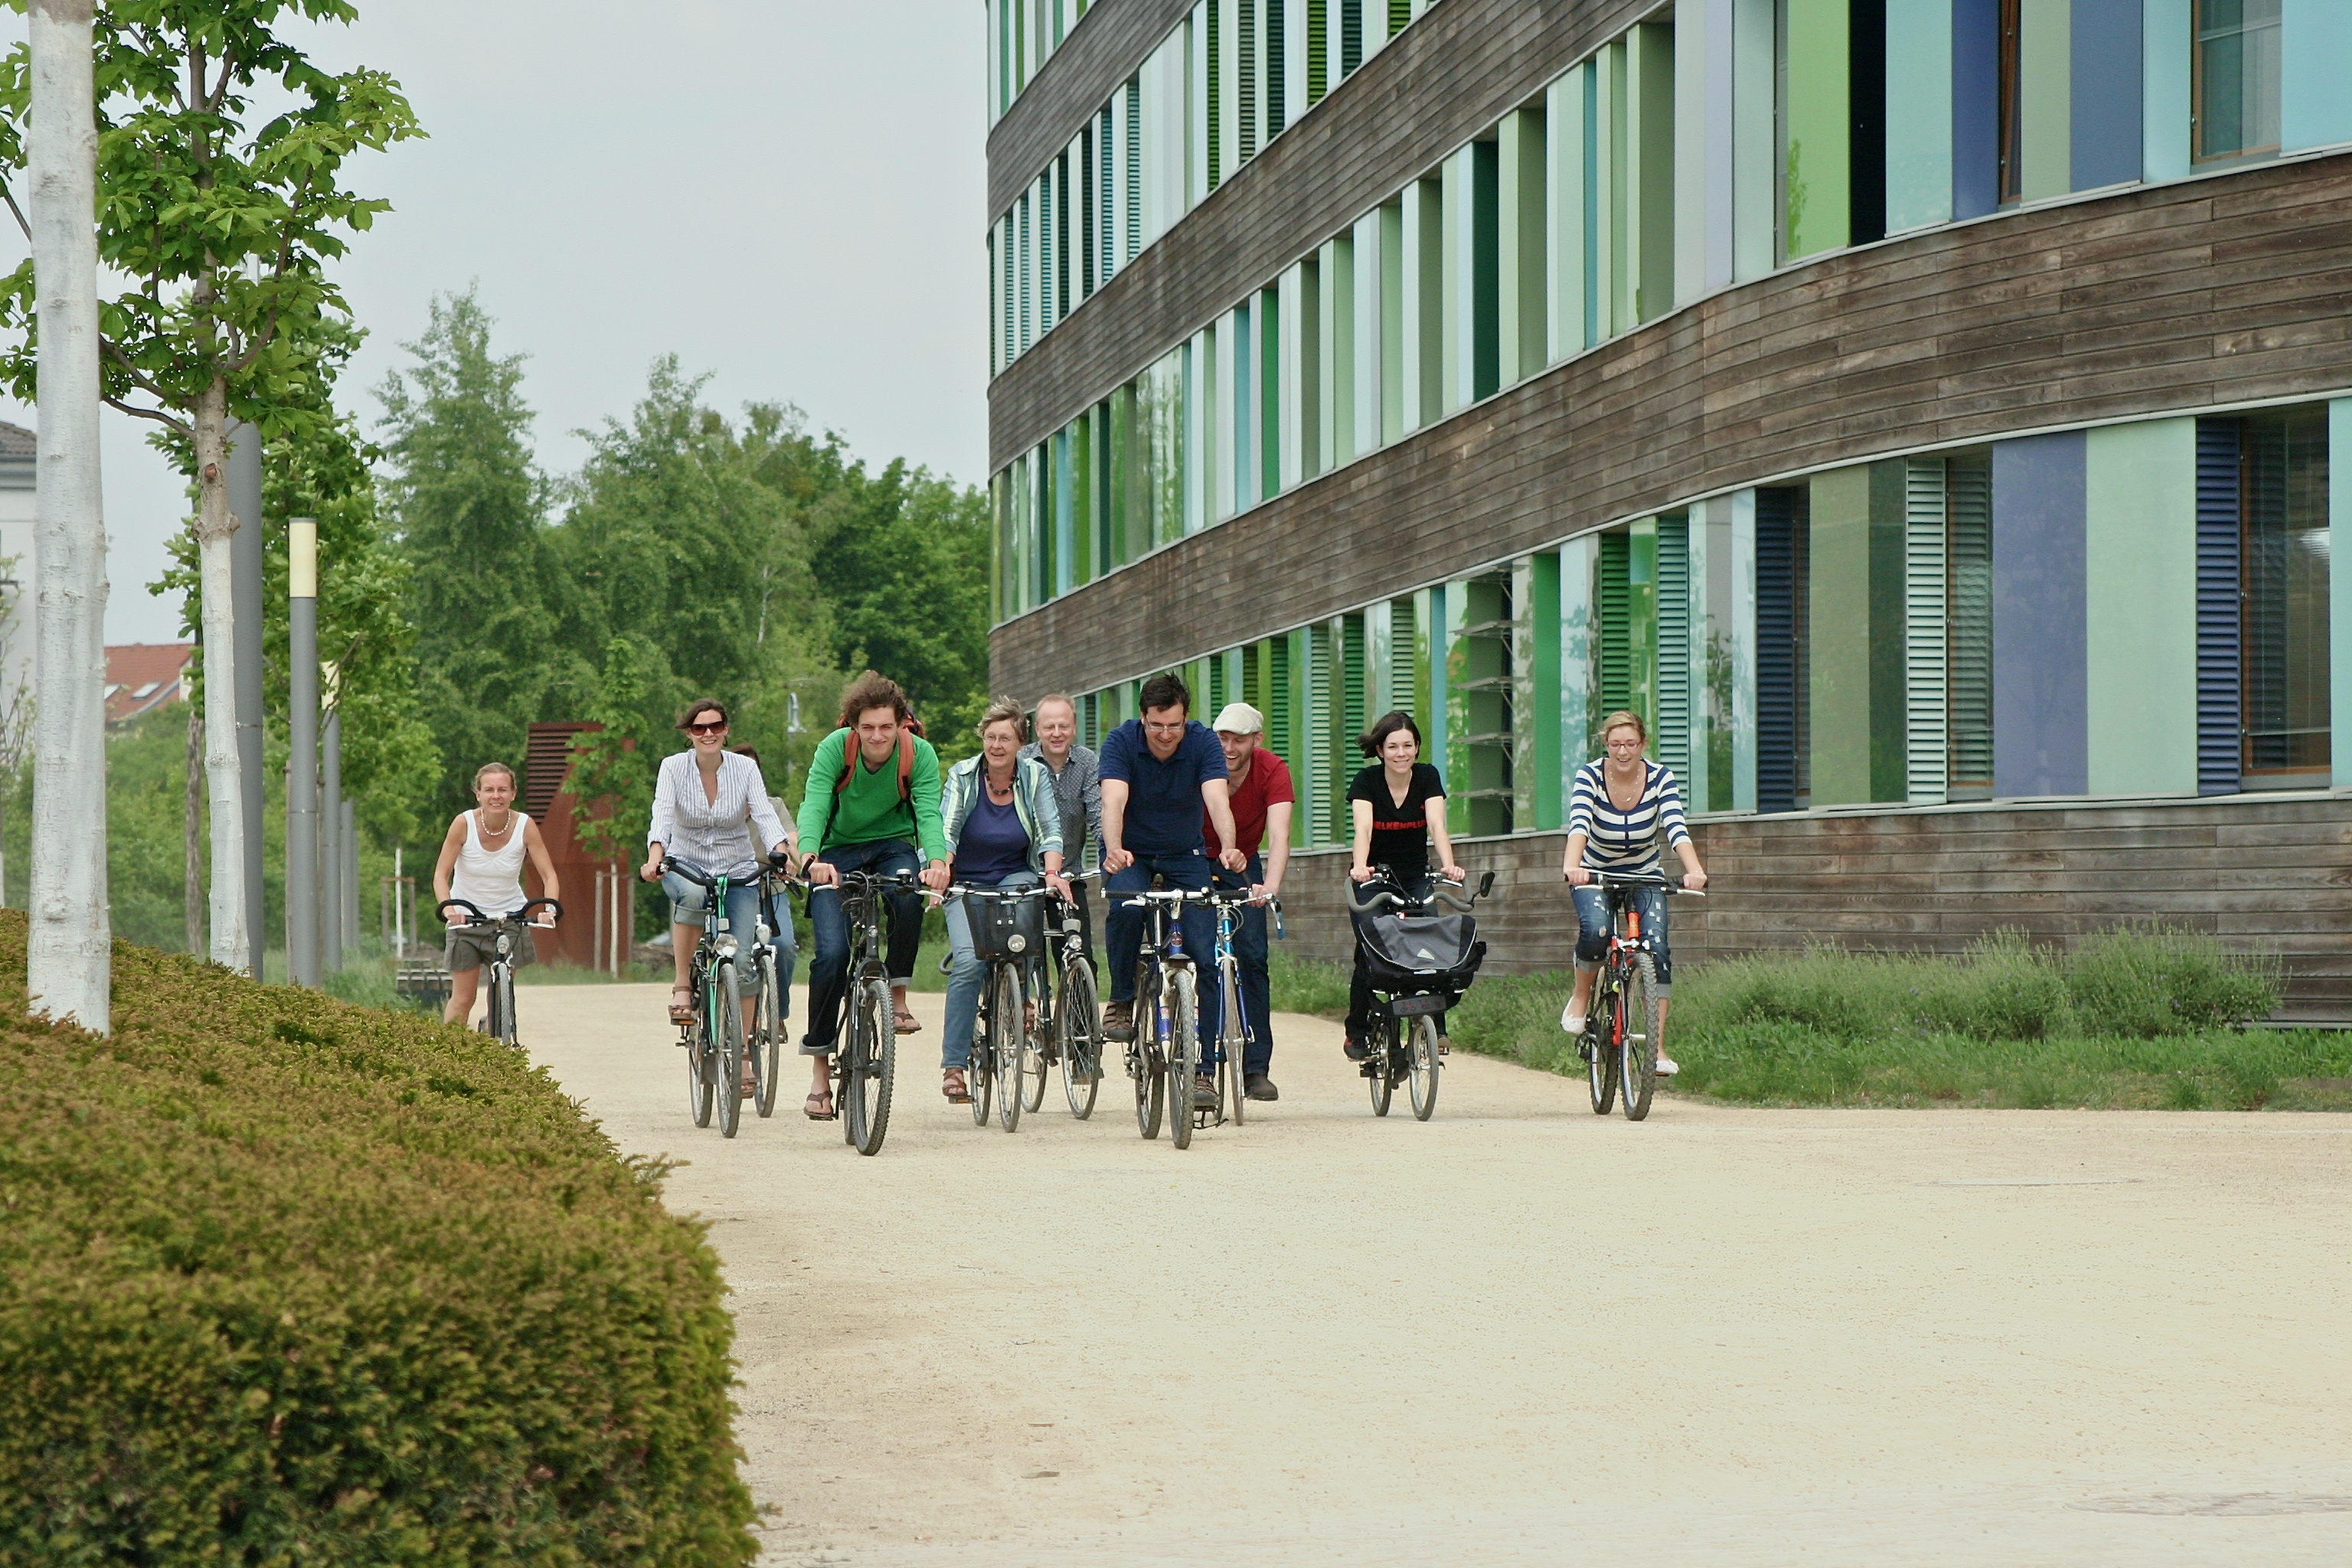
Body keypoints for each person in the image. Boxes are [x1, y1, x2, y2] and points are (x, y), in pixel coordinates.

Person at [797, 671, 949, 1119]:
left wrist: (937, 862)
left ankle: (897, 995)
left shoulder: (917, 753)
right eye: (868, 728)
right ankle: (820, 1077)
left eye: (887, 726)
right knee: (830, 956)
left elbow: (927, 809)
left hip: (892, 846)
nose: (878, 736)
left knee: (907, 892)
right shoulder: (833, 749)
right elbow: (815, 804)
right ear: (853, 726)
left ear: (901, 723)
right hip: (835, 853)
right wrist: (810, 857)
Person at [1099, 671, 1249, 1110]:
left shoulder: (1202, 744)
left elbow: (1218, 801)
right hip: (1132, 854)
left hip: (1186, 854)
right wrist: (1113, 850)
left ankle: (1204, 1071)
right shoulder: (1121, 742)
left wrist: (1230, 848)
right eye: (1156, 725)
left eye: (1174, 725)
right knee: (1125, 908)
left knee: (1206, 957)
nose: (1166, 735)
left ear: (1186, 720)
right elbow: (1113, 801)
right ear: (1143, 718)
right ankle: (1123, 999)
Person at [639, 702, 796, 1091]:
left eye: (716, 726)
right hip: (686, 862)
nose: (708, 733)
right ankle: (681, 985)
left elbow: (764, 815)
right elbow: (661, 815)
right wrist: (654, 859)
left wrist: (787, 856)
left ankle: (741, 1053)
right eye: (699, 728)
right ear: (688, 733)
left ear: (726, 729)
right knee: (691, 897)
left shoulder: (744, 769)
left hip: (737, 867)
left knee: (743, 960)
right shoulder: (673, 767)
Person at [936, 698, 1070, 1103]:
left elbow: (1049, 829)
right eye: (990, 737)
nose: (997, 745)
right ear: (983, 739)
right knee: (968, 961)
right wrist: (941, 869)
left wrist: (1051, 874)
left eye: (1005, 738)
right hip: (965, 882)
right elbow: (946, 830)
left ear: (1019, 743)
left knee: (1024, 930)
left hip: (1015, 875)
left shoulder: (1033, 776)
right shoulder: (962, 776)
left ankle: (1021, 1001)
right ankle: (954, 1065)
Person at [1560, 710, 1707, 1076]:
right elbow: (1579, 822)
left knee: (1656, 949)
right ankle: (1581, 997)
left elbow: (1675, 826)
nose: (1622, 752)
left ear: (1643, 744)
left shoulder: (1660, 778)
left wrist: (1695, 870)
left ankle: (1656, 1050)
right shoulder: (1590, 776)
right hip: (1594, 871)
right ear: (1605, 745)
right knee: (1596, 932)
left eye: (1630, 744)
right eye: (1615, 745)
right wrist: (1572, 865)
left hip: (1645, 873)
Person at [1344, 711, 1465, 1060]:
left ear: (1417, 748)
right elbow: (1363, 829)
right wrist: (1361, 867)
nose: (1401, 753)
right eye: (1393, 746)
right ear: (1380, 750)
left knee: (1430, 943)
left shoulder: (1427, 777)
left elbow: (1437, 826)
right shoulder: (1367, 781)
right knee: (1371, 951)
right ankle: (1359, 1031)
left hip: (1415, 875)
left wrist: (1448, 865)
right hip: (1374, 875)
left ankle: (1435, 1026)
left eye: (1408, 746)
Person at [1204, 701, 1292, 1102]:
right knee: (1193, 954)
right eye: (1222, 737)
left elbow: (1280, 835)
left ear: (1256, 740)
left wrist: (1268, 887)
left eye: (1238, 739)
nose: (1228, 747)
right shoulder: (1201, 760)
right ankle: (1196, 1056)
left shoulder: (1272, 770)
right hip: (1193, 857)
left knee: (1253, 956)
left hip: (1244, 863)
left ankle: (1256, 1068)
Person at [433, 761, 561, 1026]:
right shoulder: (463, 824)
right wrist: (450, 910)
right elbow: (440, 875)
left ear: (513, 794)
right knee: (464, 998)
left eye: (503, 790)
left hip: (509, 919)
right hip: (468, 921)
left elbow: (548, 875)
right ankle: (447, 1055)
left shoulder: (525, 826)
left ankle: (497, 1046)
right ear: (478, 794)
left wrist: (549, 911)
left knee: (500, 996)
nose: (496, 796)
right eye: (489, 790)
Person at [1018, 692, 1102, 959]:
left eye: (1063, 726)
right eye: (1049, 727)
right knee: (1022, 952)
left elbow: (1098, 814)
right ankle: (1025, 997)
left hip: (1068, 874)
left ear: (1074, 728)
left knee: (1080, 953)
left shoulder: (1088, 762)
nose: (1057, 733)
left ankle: (1076, 996)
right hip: (1025, 872)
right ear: (1038, 730)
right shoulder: (1022, 762)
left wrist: (1110, 851)